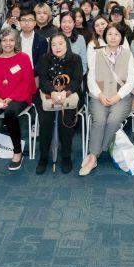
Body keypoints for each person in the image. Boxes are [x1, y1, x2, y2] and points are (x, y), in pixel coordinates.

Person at [83, 25, 134, 176]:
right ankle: (94, 156)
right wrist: (100, 94)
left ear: (122, 37)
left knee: (113, 120)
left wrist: (117, 96)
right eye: (110, 34)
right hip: (99, 95)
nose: (113, 37)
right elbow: (90, 78)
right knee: (100, 120)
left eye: (117, 34)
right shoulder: (96, 52)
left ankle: (94, 154)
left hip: (121, 96)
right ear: (104, 36)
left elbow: (132, 80)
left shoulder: (127, 54)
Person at [0, 27, 36, 172]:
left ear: (16, 42)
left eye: (11, 40)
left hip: (18, 95)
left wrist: (9, 99)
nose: (8, 43)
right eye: (4, 40)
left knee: (10, 113)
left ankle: (17, 152)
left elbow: (26, 83)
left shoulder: (23, 58)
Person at [34, 33, 84, 175]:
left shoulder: (75, 59)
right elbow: (43, 80)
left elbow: (77, 80)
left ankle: (66, 156)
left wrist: (65, 93)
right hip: (48, 95)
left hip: (69, 95)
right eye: (54, 44)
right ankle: (44, 157)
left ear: (67, 44)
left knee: (66, 122)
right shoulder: (45, 58)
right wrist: (52, 92)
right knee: (46, 122)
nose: (57, 47)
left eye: (60, 43)